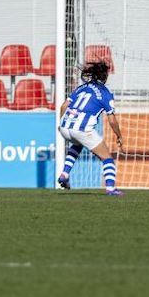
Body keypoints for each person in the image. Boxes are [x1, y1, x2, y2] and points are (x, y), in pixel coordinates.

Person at [57, 61, 124, 196]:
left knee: (77, 145)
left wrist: (61, 123)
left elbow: (64, 106)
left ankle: (64, 173)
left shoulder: (82, 87)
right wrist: (119, 135)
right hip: (82, 129)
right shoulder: (106, 93)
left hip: (65, 126)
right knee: (107, 158)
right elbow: (111, 120)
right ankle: (111, 189)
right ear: (105, 77)